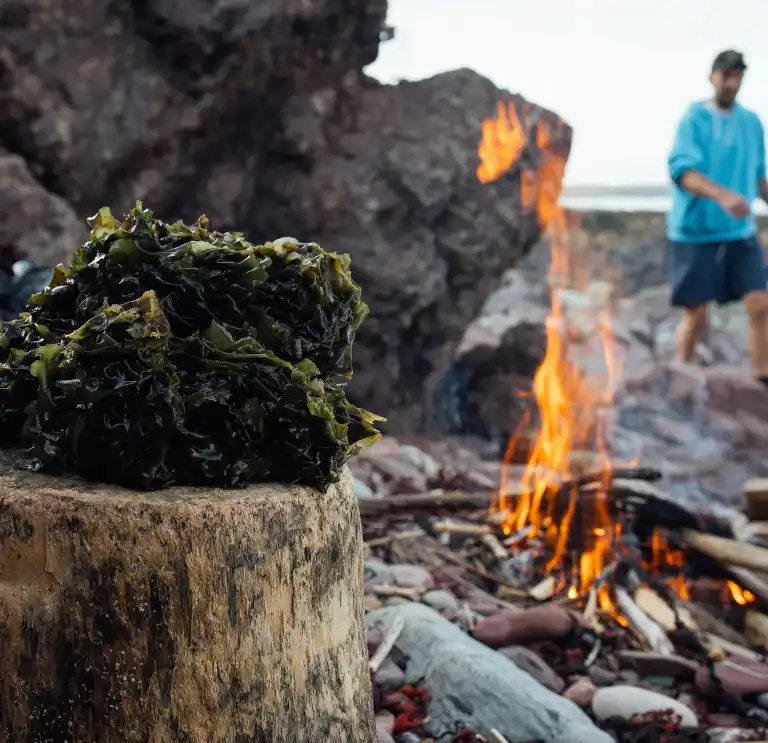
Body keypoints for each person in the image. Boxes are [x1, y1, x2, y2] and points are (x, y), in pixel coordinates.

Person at [667, 49, 768, 383]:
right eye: (726, 75)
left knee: (760, 304)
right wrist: (722, 195)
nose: (732, 83)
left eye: (738, 76)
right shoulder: (694, 120)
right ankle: (679, 373)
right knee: (696, 314)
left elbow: (759, 178)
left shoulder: (752, 123)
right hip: (696, 231)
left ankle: (763, 380)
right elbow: (683, 173)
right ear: (712, 76)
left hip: (740, 231)